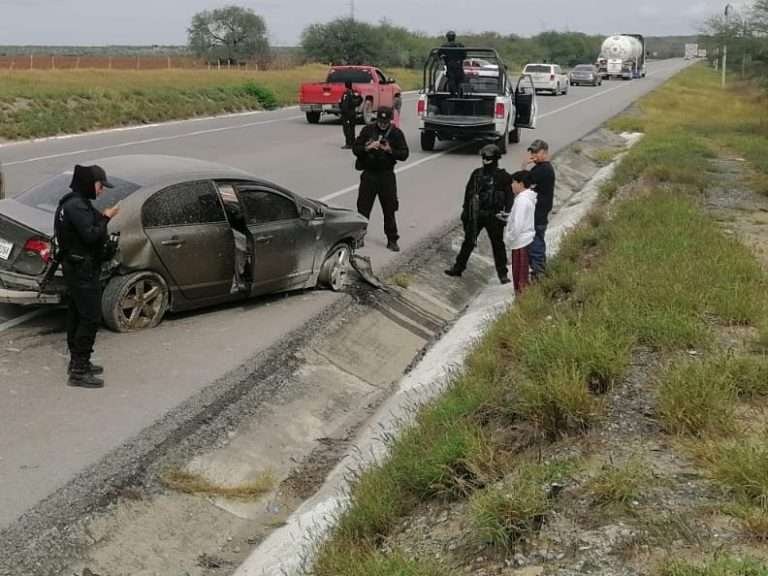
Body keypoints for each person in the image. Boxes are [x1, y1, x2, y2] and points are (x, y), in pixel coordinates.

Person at [55, 164, 119, 388]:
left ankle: (78, 363)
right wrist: (106, 218)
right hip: (81, 269)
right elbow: (91, 236)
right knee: (90, 318)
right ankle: (79, 371)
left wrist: (100, 217)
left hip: (76, 266)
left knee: (77, 315)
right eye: (100, 186)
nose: (101, 191)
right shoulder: (76, 206)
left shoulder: (73, 203)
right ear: (89, 184)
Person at [445, 144, 514, 284]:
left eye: (488, 157)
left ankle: (502, 274)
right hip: (477, 214)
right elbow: (468, 194)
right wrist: (466, 213)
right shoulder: (477, 174)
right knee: (468, 242)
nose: (485, 160)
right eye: (483, 157)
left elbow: (509, 197)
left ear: (495, 158)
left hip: (494, 216)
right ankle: (458, 268)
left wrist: (507, 214)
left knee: (498, 245)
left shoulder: (503, 177)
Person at [353, 107, 409, 252]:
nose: (383, 124)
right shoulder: (368, 130)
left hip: (386, 175)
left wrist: (390, 150)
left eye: (385, 122)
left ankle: (392, 239)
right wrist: (368, 147)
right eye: (380, 121)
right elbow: (355, 148)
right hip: (369, 175)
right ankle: (358, 237)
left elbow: (404, 154)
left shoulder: (396, 133)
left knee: (389, 208)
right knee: (363, 209)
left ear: (389, 120)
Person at [522, 139, 555, 280]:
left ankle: (539, 273)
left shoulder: (543, 169)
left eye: (536, 152)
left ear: (544, 153)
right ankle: (537, 271)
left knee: (536, 243)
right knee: (535, 242)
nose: (533, 154)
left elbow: (522, 184)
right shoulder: (540, 168)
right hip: (537, 212)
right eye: (532, 151)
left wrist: (523, 167)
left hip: (538, 213)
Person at [504, 171, 537, 294]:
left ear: (521, 184)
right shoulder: (525, 199)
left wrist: (509, 238)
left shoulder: (522, 201)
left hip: (521, 242)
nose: (511, 185)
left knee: (520, 278)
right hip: (523, 241)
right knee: (521, 276)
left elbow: (518, 225)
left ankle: (522, 301)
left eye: (513, 182)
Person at [439, 31, 466, 95]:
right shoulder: (460, 45)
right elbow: (464, 55)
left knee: (451, 79)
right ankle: (459, 92)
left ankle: (453, 93)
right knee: (459, 79)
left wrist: (444, 57)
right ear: (454, 37)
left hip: (450, 65)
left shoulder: (444, 46)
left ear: (447, 37)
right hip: (458, 64)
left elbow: (439, 54)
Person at [339, 80, 362, 149]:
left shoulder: (346, 93)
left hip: (347, 114)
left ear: (345, 85)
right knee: (352, 128)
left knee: (347, 129)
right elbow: (358, 101)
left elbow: (344, 104)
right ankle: (352, 142)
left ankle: (348, 143)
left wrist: (343, 111)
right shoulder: (354, 93)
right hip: (353, 113)